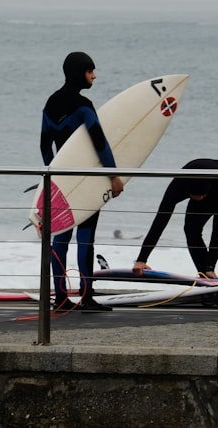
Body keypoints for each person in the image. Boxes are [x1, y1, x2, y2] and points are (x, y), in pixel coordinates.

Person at [40, 51, 124, 312]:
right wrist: (114, 175)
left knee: (61, 238)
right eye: (90, 71)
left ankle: (61, 297)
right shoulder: (84, 106)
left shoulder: (50, 103)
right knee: (86, 238)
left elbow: (44, 145)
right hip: (86, 181)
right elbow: (100, 142)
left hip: (62, 182)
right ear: (80, 73)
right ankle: (86, 296)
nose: (94, 76)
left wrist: (52, 174)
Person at [131, 159, 218, 303]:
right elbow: (160, 221)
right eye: (196, 197)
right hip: (205, 188)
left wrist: (211, 265)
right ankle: (208, 281)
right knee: (191, 229)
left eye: (202, 196)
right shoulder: (178, 185)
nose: (201, 199)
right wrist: (142, 259)